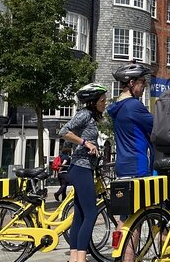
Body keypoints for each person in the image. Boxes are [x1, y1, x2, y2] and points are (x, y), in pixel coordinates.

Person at [58, 83, 107, 262]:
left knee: (79, 214)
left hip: (84, 168)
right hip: (81, 168)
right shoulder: (84, 114)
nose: (105, 103)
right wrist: (85, 143)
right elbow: (63, 131)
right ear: (93, 102)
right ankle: (81, 258)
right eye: (102, 100)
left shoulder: (91, 117)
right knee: (91, 213)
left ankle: (75, 258)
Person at [107, 63, 154, 178]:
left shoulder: (118, 107)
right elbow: (158, 126)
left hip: (123, 166)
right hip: (138, 166)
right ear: (132, 83)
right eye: (142, 81)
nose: (145, 85)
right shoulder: (133, 105)